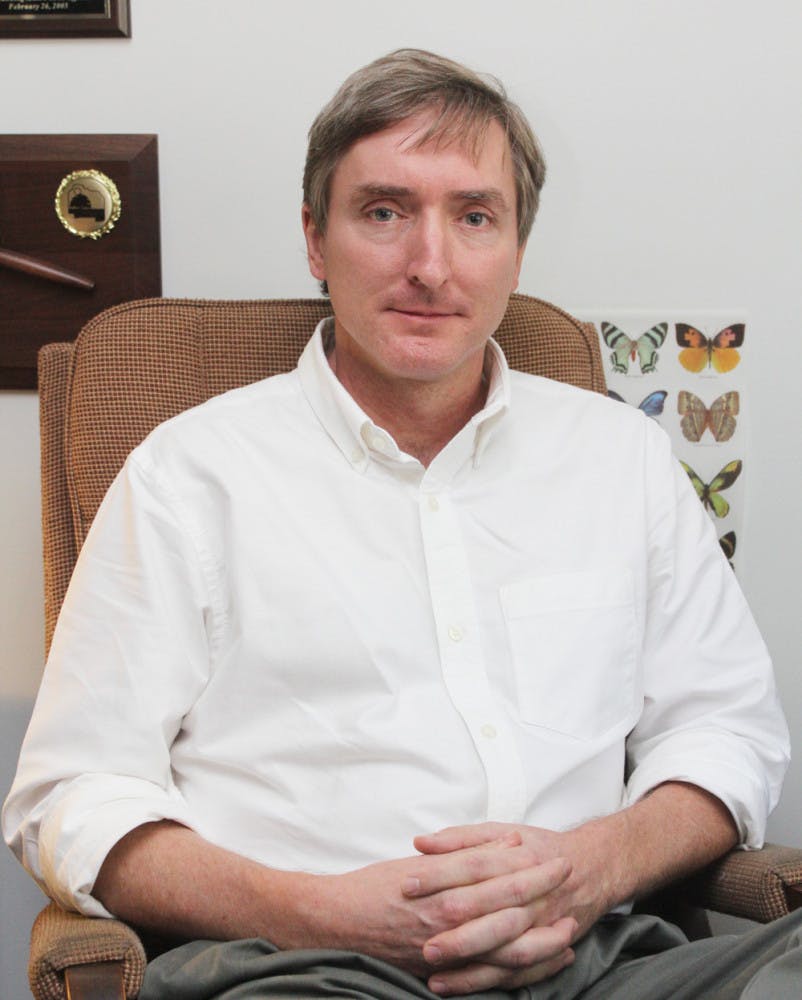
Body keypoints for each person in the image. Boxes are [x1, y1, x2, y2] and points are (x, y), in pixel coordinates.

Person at [3, 49, 797, 999]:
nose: (431, 265)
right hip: (301, 966)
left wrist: (595, 871)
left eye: (473, 217)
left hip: (601, 953)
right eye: (384, 212)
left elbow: (727, 732)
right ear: (314, 238)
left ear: (516, 246)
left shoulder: (619, 458)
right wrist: (316, 911)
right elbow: (71, 798)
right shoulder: (188, 474)